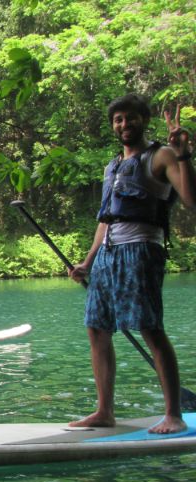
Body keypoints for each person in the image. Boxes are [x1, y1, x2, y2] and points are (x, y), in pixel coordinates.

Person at [68, 94, 195, 434]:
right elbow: (105, 221)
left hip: (141, 251)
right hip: (107, 255)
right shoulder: (112, 166)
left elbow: (191, 200)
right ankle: (104, 411)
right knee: (97, 328)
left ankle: (173, 414)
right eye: (119, 119)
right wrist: (87, 261)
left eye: (131, 118)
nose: (124, 124)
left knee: (150, 328)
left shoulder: (161, 156)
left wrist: (184, 155)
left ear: (144, 120)